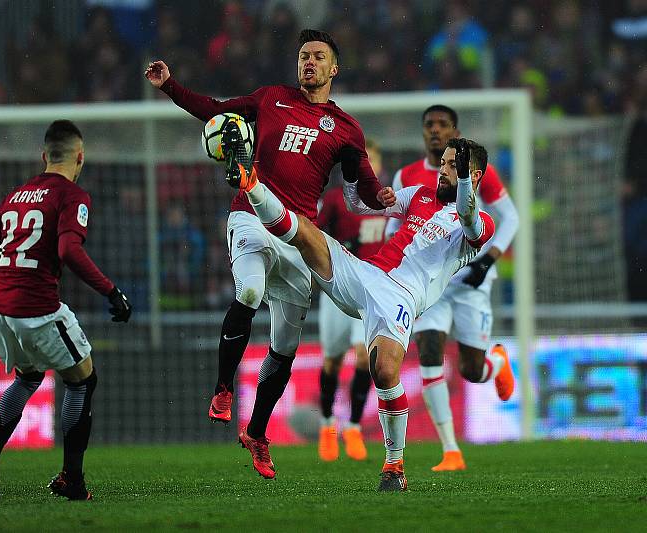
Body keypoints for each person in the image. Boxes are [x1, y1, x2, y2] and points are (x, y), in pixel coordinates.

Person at [145, 29, 383, 480]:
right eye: (303, 56)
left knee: (284, 347)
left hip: (298, 238)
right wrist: (171, 87)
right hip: (251, 214)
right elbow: (214, 111)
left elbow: (362, 185)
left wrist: (382, 196)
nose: (308, 62)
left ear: (334, 69)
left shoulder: (346, 128)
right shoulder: (270, 98)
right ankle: (221, 389)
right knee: (249, 290)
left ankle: (256, 433)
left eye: (318, 57)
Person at [225, 129, 513, 491]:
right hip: (364, 273)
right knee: (306, 233)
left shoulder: (479, 223)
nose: (442, 171)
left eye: (454, 167)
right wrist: (352, 179)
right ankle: (251, 183)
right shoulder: (421, 195)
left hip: (401, 298)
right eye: (442, 163)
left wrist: (465, 183)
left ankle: (394, 465)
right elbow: (362, 206)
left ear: (473, 176)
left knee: (385, 371)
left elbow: (470, 219)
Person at [0, 120, 132, 501]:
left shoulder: (15, 195)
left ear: (44, 156)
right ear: (80, 157)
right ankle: (72, 478)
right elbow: (68, 251)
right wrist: (111, 290)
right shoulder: (72, 196)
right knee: (82, 379)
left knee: (27, 378)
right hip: (35, 308)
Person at [385, 105, 520, 471]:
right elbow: (394, 226)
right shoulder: (407, 175)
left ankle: (496, 363)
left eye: (443, 125)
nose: (435, 131)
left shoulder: (476, 173)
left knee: (471, 369)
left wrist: (488, 260)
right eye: (429, 124)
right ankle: (450, 449)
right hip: (431, 285)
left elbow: (511, 218)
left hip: (471, 280)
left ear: (455, 131)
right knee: (429, 352)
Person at [315, 139, 387, 462]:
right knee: (332, 360)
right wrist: (343, 243)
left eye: (372, 159)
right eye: (363, 160)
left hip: (371, 292)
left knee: (364, 358)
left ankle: (354, 427)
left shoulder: (390, 202)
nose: (367, 165)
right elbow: (315, 235)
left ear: (380, 166)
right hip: (337, 288)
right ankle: (328, 424)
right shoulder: (335, 199)